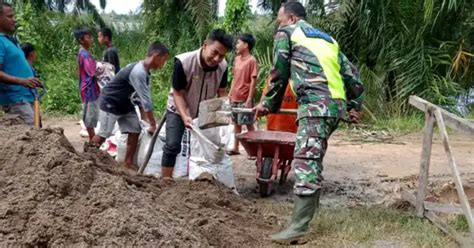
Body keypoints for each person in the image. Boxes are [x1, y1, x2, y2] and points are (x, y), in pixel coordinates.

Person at [253, 2, 365, 244]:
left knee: (305, 161)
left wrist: (267, 105)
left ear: (291, 18)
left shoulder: (288, 33)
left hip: (315, 106)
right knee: (313, 159)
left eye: (279, 20)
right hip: (334, 107)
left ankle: (299, 228)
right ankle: (305, 218)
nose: (278, 25)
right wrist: (355, 106)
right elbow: (352, 75)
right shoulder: (327, 39)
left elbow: (279, 72)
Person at [162, 29, 233, 178]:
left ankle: (204, 178)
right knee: (173, 145)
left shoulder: (223, 66)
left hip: (205, 109)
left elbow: (221, 92)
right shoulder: (184, 62)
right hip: (178, 107)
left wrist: (225, 115)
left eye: (222, 55)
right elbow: (178, 93)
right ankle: (165, 181)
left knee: (211, 146)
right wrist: (185, 116)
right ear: (205, 45)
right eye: (214, 52)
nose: (217, 59)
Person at [91, 42, 169, 170]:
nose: (163, 64)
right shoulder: (138, 72)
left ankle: (127, 163)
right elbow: (146, 101)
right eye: (163, 60)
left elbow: (139, 99)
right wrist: (153, 124)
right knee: (103, 134)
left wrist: (145, 121)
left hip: (126, 105)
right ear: (156, 56)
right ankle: (87, 158)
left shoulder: (145, 72)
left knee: (135, 131)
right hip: (111, 102)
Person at [0, 3, 41, 124]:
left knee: (37, 134)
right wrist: (22, 81)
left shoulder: (11, 41)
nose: (14, 20)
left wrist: (31, 81)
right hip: (15, 100)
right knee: (32, 137)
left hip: (26, 97)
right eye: (10, 16)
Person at [227, 33, 258, 155]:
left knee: (248, 124)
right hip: (235, 97)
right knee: (236, 123)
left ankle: (254, 149)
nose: (236, 45)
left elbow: (253, 80)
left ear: (246, 45)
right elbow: (234, 78)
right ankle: (235, 147)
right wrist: (230, 94)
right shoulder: (237, 59)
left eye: (238, 43)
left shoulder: (252, 61)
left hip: (245, 98)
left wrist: (249, 99)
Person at [75, 26, 99, 141]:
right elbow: (93, 72)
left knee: (90, 116)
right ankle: (92, 141)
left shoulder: (84, 52)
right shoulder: (84, 54)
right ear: (81, 40)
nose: (91, 39)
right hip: (89, 89)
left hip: (88, 88)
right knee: (90, 117)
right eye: (88, 37)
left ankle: (92, 139)